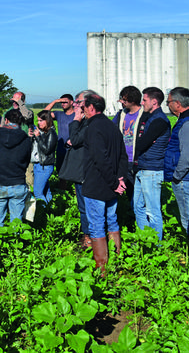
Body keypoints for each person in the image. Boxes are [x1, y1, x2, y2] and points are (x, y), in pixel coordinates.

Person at [82, 92, 128, 276]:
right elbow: (123, 155)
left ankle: (101, 269)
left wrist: (112, 182)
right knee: (112, 221)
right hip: (112, 185)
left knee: (96, 225)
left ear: (91, 108)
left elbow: (100, 159)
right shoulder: (112, 126)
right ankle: (116, 258)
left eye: (84, 107)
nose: (83, 110)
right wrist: (120, 179)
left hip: (97, 185)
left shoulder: (93, 128)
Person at [132, 87, 171, 237]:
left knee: (152, 210)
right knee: (137, 206)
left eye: (145, 100)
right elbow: (141, 141)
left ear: (154, 102)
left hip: (152, 169)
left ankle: (157, 244)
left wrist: (145, 140)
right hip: (143, 167)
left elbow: (141, 143)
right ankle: (145, 238)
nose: (142, 103)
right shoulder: (149, 117)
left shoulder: (160, 120)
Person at [58, 90, 94, 248]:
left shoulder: (88, 122)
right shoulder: (88, 122)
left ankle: (90, 238)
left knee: (87, 206)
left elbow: (76, 139)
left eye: (79, 102)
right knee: (84, 206)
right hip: (82, 170)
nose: (76, 105)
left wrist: (76, 120)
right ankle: (89, 235)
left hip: (86, 171)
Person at [164, 87, 189, 234]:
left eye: (168, 102)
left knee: (188, 219)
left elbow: (187, 155)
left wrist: (176, 176)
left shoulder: (187, 123)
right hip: (186, 177)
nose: (167, 105)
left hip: (185, 179)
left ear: (177, 103)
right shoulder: (187, 119)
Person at [0, 108, 32, 230]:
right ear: (21, 122)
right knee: (16, 221)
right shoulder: (26, 139)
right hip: (17, 182)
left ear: (6, 120)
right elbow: (27, 160)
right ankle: (15, 246)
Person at [112, 85, 144, 185]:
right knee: (129, 191)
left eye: (124, 99)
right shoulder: (120, 115)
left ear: (132, 100)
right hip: (123, 160)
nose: (121, 101)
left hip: (139, 160)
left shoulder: (144, 115)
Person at [29, 110, 57, 205]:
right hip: (39, 165)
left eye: (41, 120)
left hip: (44, 167)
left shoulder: (51, 133)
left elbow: (47, 150)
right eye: (38, 120)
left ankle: (43, 213)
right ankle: (49, 209)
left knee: (38, 193)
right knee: (46, 191)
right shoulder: (44, 132)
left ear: (47, 120)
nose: (39, 123)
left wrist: (38, 137)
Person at [44, 94, 75, 178]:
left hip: (74, 148)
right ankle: (62, 191)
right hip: (61, 148)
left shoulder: (77, 115)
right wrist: (55, 101)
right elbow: (44, 113)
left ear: (71, 102)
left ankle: (75, 191)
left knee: (76, 175)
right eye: (61, 102)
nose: (63, 104)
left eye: (65, 102)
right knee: (61, 174)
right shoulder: (59, 114)